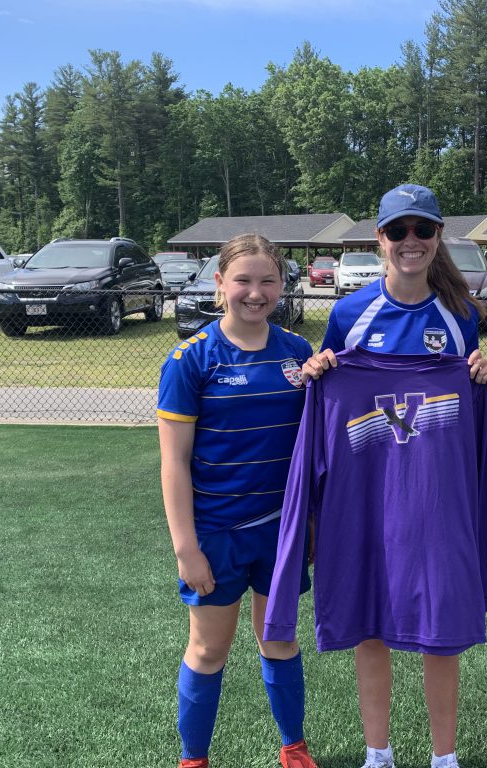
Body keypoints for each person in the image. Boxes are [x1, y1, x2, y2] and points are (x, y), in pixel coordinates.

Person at [296, 183, 487, 768]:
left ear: (438, 238)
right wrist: (317, 371)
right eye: (398, 231)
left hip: (435, 501)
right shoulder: (348, 312)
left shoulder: (460, 317)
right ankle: (378, 753)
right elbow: (332, 388)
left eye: (423, 230)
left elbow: (468, 396)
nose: (411, 242)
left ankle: (443, 757)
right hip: (369, 500)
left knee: (441, 629)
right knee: (371, 624)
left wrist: (483, 377)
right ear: (379, 238)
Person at [157, 234, 318, 768]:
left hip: (280, 531)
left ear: (282, 285)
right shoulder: (190, 359)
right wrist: (186, 548)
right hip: (217, 534)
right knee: (208, 650)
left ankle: (293, 747)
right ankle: (193, 759)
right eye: (242, 280)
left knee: (280, 643)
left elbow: (314, 449)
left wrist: (312, 522)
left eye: (267, 280)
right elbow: (173, 463)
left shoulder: (298, 354)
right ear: (219, 283)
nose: (255, 292)